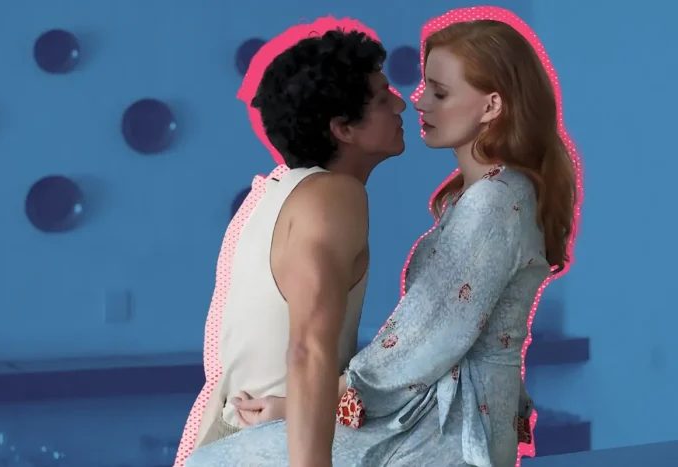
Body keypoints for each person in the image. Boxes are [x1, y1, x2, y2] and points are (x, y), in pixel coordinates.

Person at [184, 16, 578, 467]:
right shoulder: (472, 197)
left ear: (491, 107)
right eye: (418, 89)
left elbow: (423, 341)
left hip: (448, 428)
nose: (414, 101)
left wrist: (298, 406)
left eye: (439, 93)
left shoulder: (494, 200)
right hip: (426, 413)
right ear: (342, 128)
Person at [182, 27, 406, 460]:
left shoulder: (279, 192)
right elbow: (308, 350)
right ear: (343, 128)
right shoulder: (333, 195)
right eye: (382, 99)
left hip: (240, 437)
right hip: (266, 443)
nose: (400, 104)